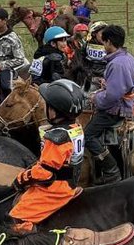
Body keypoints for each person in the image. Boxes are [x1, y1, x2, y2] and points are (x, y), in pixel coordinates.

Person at [8, 79, 87, 232]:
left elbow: (45, 173)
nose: (46, 108)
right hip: (71, 182)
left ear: (55, 111)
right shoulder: (75, 128)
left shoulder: (57, 137)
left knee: (17, 216)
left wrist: (21, 179)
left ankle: (28, 242)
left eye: (48, 105)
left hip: (56, 188)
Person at [86, 25, 134, 184]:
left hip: (117, 109)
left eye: (104, 43)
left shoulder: (116, 64)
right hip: (128, 102)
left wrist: (95, 98)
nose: (103, 47)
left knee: (88, 135)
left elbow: (112, 96)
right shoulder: (128, 58)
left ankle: (111, 169)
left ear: (109, 42)